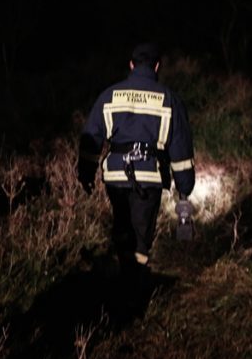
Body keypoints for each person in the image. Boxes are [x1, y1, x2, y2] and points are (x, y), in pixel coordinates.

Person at [76, 42, 196, 283]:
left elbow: (91, 137)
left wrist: (86, 174)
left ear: (131, 65)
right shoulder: (168, 99)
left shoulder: (109, 96)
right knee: (141, 236)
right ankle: (132, 288)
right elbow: (180, 147)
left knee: (122, 227)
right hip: (148, 177)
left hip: (115, 177)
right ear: (157, 66)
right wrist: (184, 187)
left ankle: (123, 280)